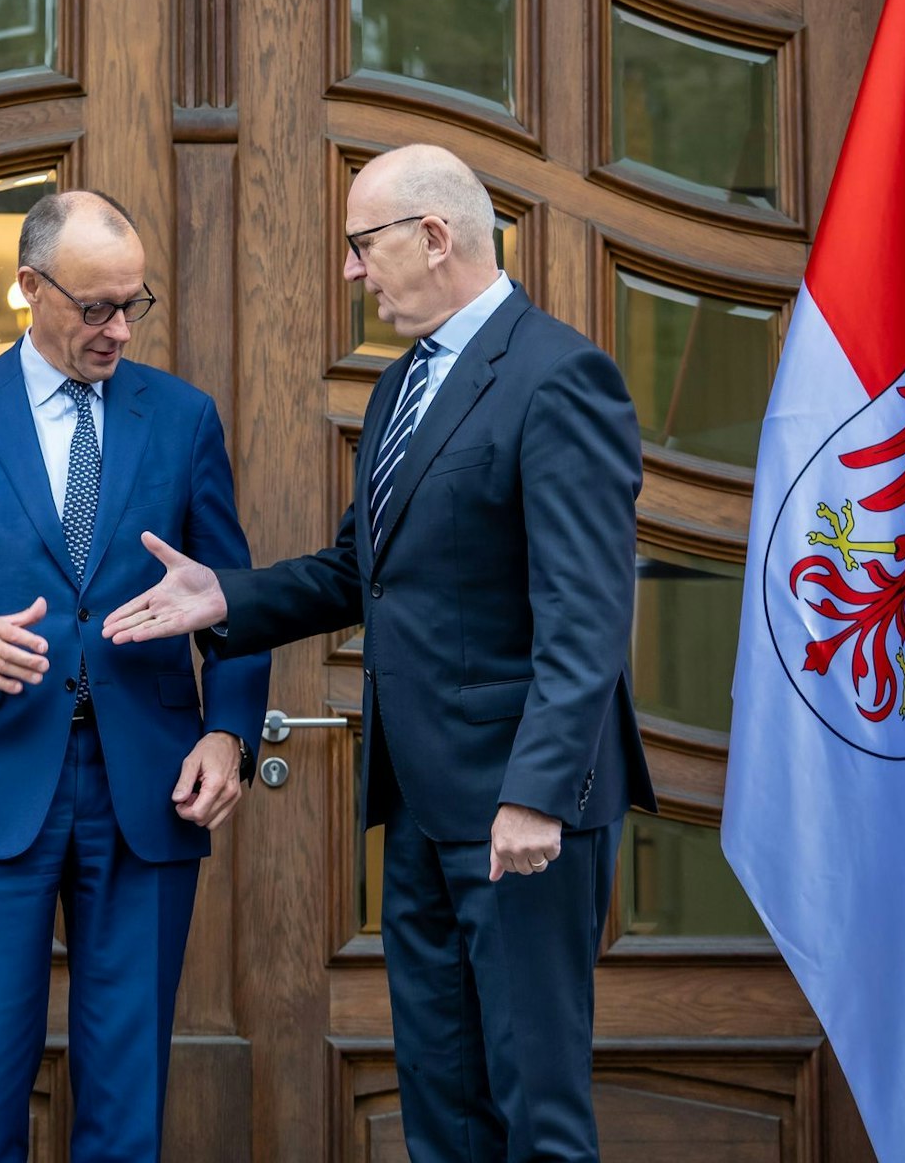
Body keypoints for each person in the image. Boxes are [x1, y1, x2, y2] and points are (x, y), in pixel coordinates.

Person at [104, 145, 655, 1161]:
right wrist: (223, 596)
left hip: (519, 812)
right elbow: (362, 571)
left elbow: (585, 609)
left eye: (364, 246)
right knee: (441, 1108)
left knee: (534, 1113)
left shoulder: (558, 374)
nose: (353, 271)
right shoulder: (401, 384)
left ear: (433, 236)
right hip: (417, 802)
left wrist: (535, 792)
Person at [0, 190, 270, 1163]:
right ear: (28, 288)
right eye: (94, 307)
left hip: (149, 790)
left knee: (127, 1104)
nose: (117, 329)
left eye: (133, 304)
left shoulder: (183, 418)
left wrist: (227, 733)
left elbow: (230, 602)